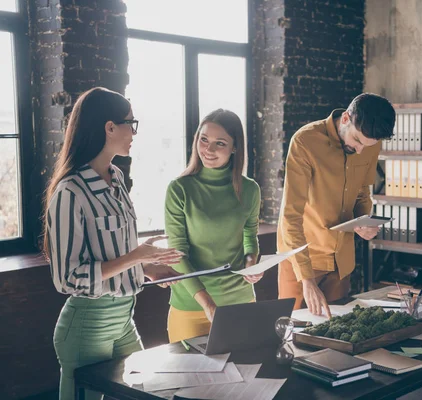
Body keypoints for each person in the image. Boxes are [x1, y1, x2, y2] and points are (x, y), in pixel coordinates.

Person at [44, 87, 183, 400]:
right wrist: (135, 257)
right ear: (109, 127)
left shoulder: (117, 177)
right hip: (85, 327)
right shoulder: (71, 192)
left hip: (123, 319)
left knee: (150, 392)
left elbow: (116, 253)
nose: (133, 132)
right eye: (130, 124)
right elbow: (68, 278)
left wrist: (147, 268)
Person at [277, 93, 395, 317]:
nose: (361, 150)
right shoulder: (305, 142)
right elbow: (290, 215)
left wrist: (365, 222)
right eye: (357, 141)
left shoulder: (369, 143)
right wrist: (306, 279)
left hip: (341, 260)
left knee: (336, 336)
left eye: (369, 145)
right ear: (345, 119)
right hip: (302, 260)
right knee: (293, 335)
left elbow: (362, 192)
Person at [164, 109, 263, 342]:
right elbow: (177, 254)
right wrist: (207, 304)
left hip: (240, 302)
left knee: (245, 377)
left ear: (234, 148)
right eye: (204, 139)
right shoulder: (179, 189)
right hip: (191, 307)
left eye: (220, 143)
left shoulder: (250, 189)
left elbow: (250, 234)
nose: (208, 150)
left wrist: (251, 260)